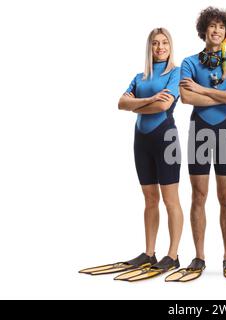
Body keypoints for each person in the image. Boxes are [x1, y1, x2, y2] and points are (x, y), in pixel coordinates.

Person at [80, 28, 183, 282]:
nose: (160, 47)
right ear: (149, 48)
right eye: (155, 43)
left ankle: (172, 255)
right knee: (149, 200)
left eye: (164, 43)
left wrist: (137, 102)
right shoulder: (141, 76)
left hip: (166, 139)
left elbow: (163, 105)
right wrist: (146, 100)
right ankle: (149, 253)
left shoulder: (176, 72)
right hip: (142, 140)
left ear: (171, 46)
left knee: (170, 200)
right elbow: (120, 103)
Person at [166, 7, 226, 283]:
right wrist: (224, 95)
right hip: (200, 132)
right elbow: (187, 98)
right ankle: (200, 256)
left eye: (220, 27)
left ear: (225, 32)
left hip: (225, 132)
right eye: (212, 26)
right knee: (199, 196)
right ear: (204, 30)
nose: (216, 31)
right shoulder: (190, 62)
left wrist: (203, 89)